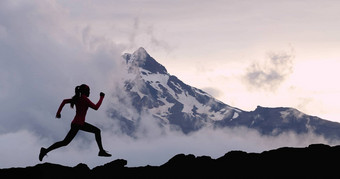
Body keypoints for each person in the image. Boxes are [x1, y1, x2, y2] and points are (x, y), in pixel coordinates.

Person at [39, 84, 111, 161]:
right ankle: (101, 151)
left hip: (77, 124)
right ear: (85, 91)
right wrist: (101, 97)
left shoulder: (77, 98)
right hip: (78, 124)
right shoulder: (84, 99)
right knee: (97, 131)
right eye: (88, 90)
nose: (89, 92)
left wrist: (58, 113)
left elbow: (64, 101)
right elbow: (96, 107)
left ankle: (45, 150)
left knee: (65, 142)